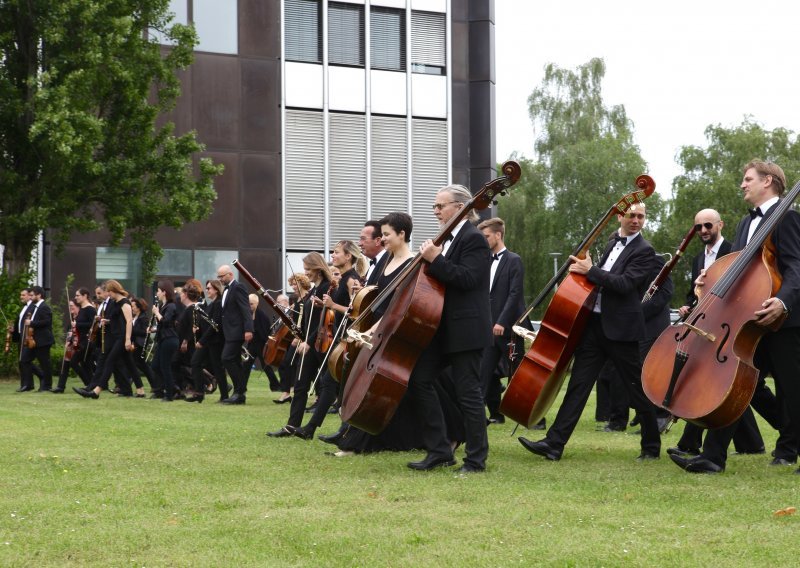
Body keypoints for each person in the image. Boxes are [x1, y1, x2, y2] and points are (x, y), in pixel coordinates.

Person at [670, 160, 800, 474]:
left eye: (747, 179)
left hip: (783, 320)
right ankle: (713, 457)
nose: (742, 185)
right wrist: (709, 279)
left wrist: (783, 302)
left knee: (793, 388)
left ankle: (788, 448)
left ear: (767, 181)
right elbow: (737, 269)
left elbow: (797, 267)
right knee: (737, 384)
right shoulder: (744, 224)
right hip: (748, 319)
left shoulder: (788, 218)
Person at [519, 202, 661, 462]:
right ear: (620, 216)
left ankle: (651, 446)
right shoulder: (610, 244)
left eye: (641, 216)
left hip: (622, 331)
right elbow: (597, 280)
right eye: (632, 215)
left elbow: (625, 284)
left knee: (635, 390)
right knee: (578, 386)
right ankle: (554, 444)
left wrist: (590, 271)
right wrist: (583, 272)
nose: (636, 220)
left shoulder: (646, 251)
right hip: (594, 327)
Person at [402, 185, 492, 474]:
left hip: (466, 330)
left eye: (441, 206)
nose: (436, 211)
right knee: (419, 379)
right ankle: (440, 450)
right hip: (441, 328)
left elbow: (468, 278)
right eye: (435, 207)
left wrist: (435, 259)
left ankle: (476, 460)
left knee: (469, 395)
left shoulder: (474, 238)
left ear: (462, 206)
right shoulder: (447, 239)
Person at [667, 209, 771, 457]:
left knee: (719, 382)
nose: (703, 230)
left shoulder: (733, 253)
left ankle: (690, 442)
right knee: (725, 384)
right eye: (699, 227)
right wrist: (689, 304)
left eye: (708, 226)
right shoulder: (696, 260)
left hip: (728, 328)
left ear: (720, 225)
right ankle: (751, 443)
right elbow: (698, 296)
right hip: (705, 324)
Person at [268, 253, 332, 435]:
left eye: (308, 269)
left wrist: (308, 341)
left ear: (318, 269)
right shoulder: (313, 290)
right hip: (309, 343)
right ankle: (291, 426)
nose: (306, 273)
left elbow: (322, 321)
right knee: (300, 384)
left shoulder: (326, 289)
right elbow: (307, 322)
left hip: (319, 345)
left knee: (330, 386)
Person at [477, 217, 528, 425]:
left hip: (510, 329)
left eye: (486, 236)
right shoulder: (484, 260)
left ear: (498, 235)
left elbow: (515, 295)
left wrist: (502, 322)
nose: (484, 240)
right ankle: (491, 415)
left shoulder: (514, 260)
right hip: (488, 328)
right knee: (484, 372)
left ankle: (531, 416)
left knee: (517, 375)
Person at [74, 280, 141, 399]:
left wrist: (127, 340)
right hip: (117, 336)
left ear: (114, 290)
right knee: (129, 363)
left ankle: (96, 391)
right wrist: (107, 321)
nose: (108, 294)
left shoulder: (125, 303)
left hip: (122, 337)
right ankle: (140, 390)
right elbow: (117, 319)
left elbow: (129, 321)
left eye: (109, 292)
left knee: (109, 361)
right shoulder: (116, 302)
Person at [217, 264, 254, 404]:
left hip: (237, 331)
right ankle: (239, 394)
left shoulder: (238, 287)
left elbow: (245, 309)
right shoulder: (226, 290)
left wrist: (248, 329)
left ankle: (240, 390)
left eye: (222, 276)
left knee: (226, 358)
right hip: (229, 332)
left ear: (230, 274)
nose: (219, 279)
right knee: (235, 362)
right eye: (218, 276)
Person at [273, 275, 310, 404]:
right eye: (292, 284)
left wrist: (299, 337)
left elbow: (305, 320)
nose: (293, 287)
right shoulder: (298, 300)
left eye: (296, 284)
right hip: (298, 337)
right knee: (286, 363)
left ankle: (313, 395)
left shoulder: (307, 298)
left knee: (305, 367)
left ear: (303, 283)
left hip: (304, 337)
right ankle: (287, 392)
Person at [19, 286, 54, 392]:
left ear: (39, 295)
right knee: (24, 359)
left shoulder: (44, 307)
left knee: (44, 363)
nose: (30, 297)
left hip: (43, 340)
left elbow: (47, 322)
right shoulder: (34, 307)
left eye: (32, 295)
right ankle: (34, 382)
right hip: (33, 340)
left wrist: (32, 323)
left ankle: (47, 385)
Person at [150, 280, 179, 401]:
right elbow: (163, 324)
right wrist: (153, 329)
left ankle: (169, 394)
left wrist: (156, 313)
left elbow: (166, 322)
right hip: (163, 339)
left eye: (158, 290)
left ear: (164, 292)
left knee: (165, 367)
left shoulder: (171, 306)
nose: (157, 293)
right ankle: (172, 387)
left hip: (169, 339)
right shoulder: (163, 306)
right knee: (156, 365)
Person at [130, 296, 159, 395]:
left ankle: (153, 385)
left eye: (133, 306)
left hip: (139, 344)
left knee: (138, 365)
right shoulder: (136, 317)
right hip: (136, 343)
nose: (131, 308)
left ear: (138, 307)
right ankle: (154, 385)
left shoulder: (143, 318)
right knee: (141, 365)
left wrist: (131, 330)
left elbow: (144, 332)